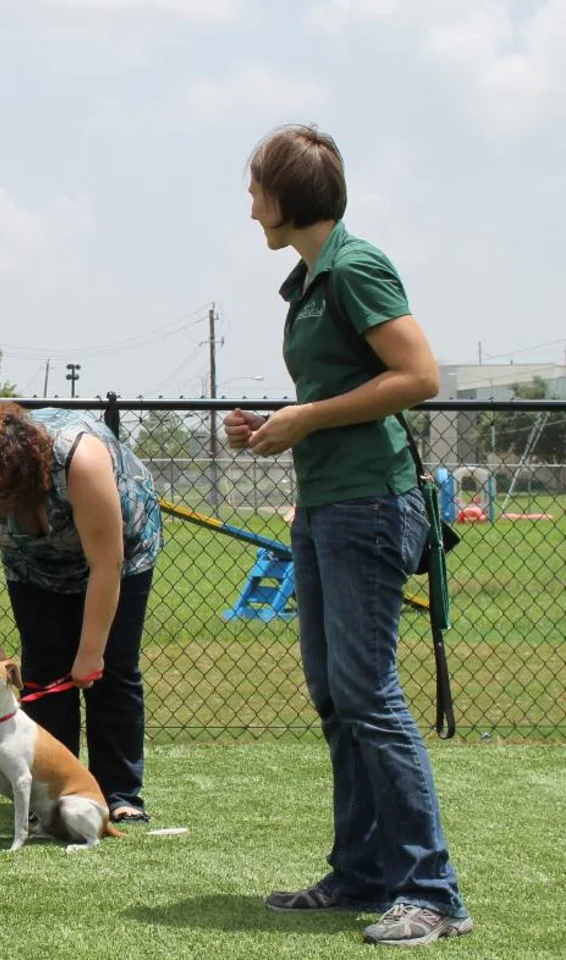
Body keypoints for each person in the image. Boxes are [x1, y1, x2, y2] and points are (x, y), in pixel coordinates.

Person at [229, 123, 470, 946]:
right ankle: (364, 871)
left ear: (288, 195)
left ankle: (431, 892)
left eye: (257, 184)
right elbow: (344, 391)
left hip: (369, 506)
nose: (250, 200)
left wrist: (304, 419)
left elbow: (419, 376)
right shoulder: (310, 281)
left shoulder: (355, 267)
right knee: (339, 698)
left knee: (369, 696)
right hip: (328, 504)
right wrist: (276, 425)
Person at [0, 401, 161, 825]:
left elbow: (106, 564)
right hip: (35, 567)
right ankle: (50, 793)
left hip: (117, 556)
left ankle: (119, 793)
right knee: (45, 672)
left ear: (24, 479)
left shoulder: (80, 464)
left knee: (111, 672)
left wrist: (91, 652)